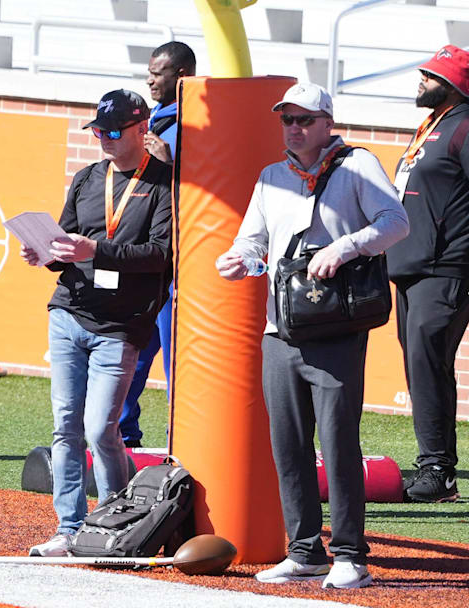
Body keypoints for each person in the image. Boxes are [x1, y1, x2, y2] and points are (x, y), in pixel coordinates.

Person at [215, 83, 408, 589]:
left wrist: (344, 247)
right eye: (287, 119)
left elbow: (396, 223)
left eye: (305, 118)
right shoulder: (271, 176)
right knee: (289, 444)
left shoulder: (357, 164)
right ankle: (304, 550)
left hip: (337, 328)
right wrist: (239, 261)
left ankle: (350, 556)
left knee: (339, 442)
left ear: (327, 121)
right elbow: (254, 242)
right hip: (281, 329)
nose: (295, 127)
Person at [23, 89, 172, 557]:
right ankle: (69, 528)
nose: (103, 139)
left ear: (140, 129)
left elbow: (163, 256)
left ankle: (116, 520)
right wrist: (43, 252)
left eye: (112, 132)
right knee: (65, 426)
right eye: (97, 131)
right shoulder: (88, 178)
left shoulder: (166, 185)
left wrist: (96, 251)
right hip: (69, 310)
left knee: (100, 428)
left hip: (121, 325)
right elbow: (66, 240)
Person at [386, 45, 469, 503]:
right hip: (414, 268)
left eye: (431, 74)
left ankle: (438, 471)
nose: (421, 80)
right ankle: (432, 465)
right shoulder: (433, 126)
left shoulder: (464, 127)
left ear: (454, 83)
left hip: (448, 268)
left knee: (429, 364)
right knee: (420, 367)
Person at [119, 40, 196, 448]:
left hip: (179, 261)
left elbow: (208, 195)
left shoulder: (198, 125)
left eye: (158, 72)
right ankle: (120, 434)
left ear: (180, 75)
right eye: (149, 70)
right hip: (147, 256)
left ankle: (182, 441)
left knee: (175, 357)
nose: (149, 78)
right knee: (133, 348)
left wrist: (168, 165)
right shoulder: (152, 120)